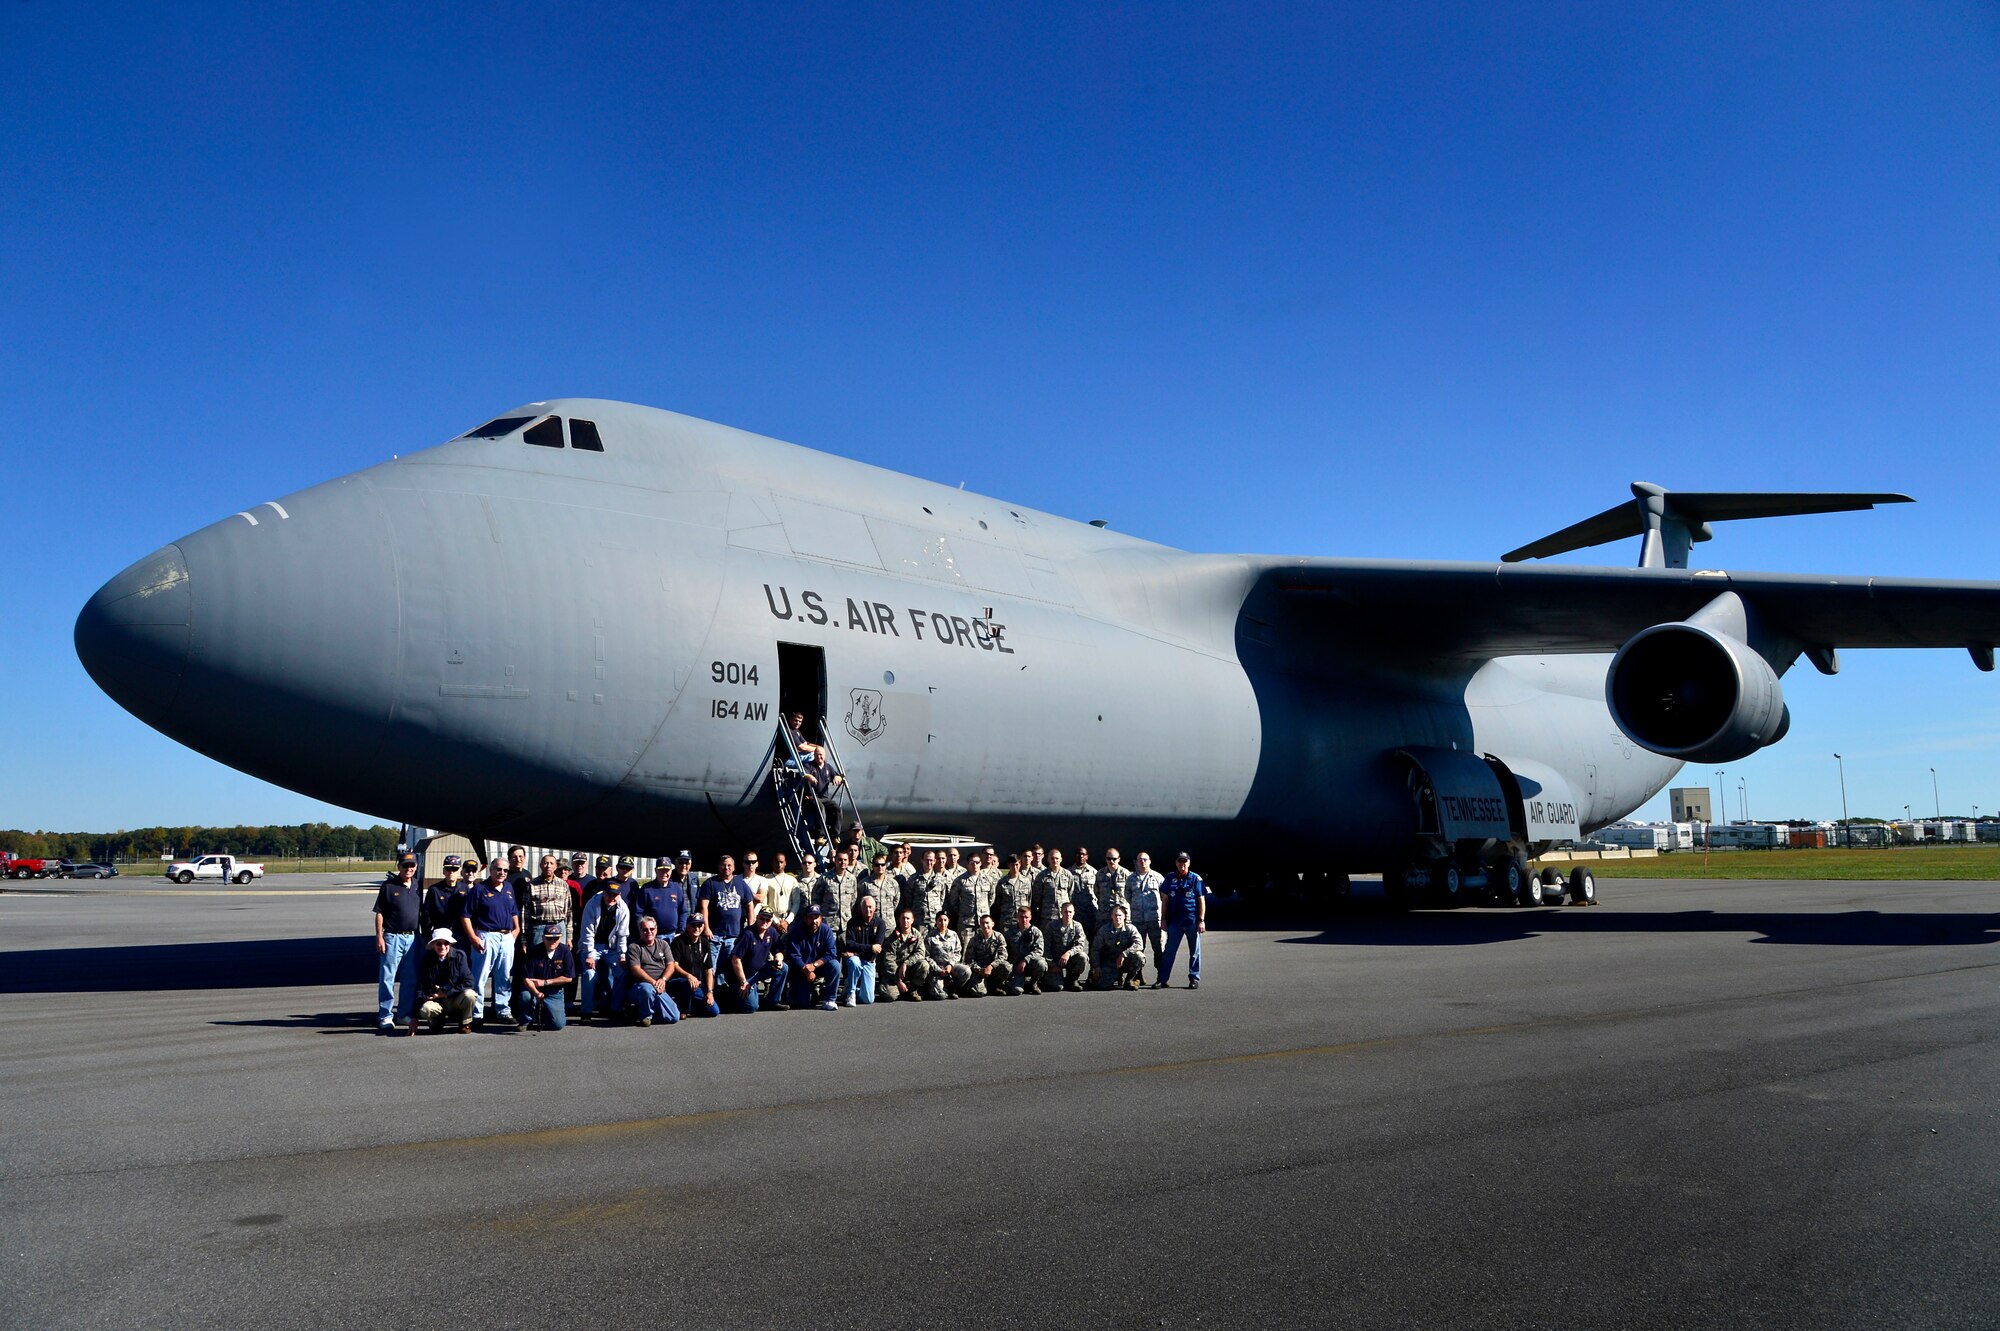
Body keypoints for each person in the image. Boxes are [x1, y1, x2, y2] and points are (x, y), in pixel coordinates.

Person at [461, 859, 520, 1024]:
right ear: (491, 870)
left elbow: (514, 910)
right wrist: (473, 937)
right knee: (480, 977)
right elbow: (465, 916)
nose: (502, 873)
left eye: (505, 870)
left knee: (504, 976)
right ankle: (477, 1013)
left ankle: (503, 1010)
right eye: (498, 869)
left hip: (507, 936)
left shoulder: (508, 888)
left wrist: (516, 930)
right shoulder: (479, 889)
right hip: (486, 935)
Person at [371, 854, 423, 1033]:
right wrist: (379, 936)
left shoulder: (418, 885)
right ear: (399, 866)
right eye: (405, 865)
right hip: (392, 937)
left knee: (410, 979)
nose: (409, 868)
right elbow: (379, 912)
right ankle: (385, 1015)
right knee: (387, 978)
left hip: (413, 938)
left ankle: (403, 1013)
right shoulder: (388, 886)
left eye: (412, 865)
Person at [576, 870, 630, 1022]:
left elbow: (622, 934)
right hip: (593, 946)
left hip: (612, 947)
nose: (611, 898)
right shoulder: (592, 903)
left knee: (621, 972)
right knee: (589, 974)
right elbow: (587, 931)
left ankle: (616, 1009)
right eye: (609, 894)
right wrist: (589, 954)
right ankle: (586, 1012)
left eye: (615, 895)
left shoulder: (623, 908)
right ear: (604, 893)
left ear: (619, 895)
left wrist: (622, 955)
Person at [1156, 852, 1211, 990]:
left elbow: (1201, 899)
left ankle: (1194, 978)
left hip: (1191, 920)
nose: (1182, 864)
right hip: (1175, 921)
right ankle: (1162, 979)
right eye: (1180, 861)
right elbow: (1165, 899)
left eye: (1185, 861)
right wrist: (1163, 919)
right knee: (1169, 951)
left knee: (1194, 951)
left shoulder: (1195, 878)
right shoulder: (1170, 878)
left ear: (1189, 863)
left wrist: (1201, 920)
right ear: (1176, 863)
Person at [412, 929, 478, 1034]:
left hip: (455, 999)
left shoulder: (459, 956)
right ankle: (438, 1021)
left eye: (446, 943)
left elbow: (469, 982)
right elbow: (419, 988)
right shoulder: (426, 960)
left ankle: (465, 1023)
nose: (442, 947)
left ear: (450, 944)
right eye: (439, 943)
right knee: (425, 1009)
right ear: (433, 945)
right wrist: (414, 1018)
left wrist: (445, 993)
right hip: (436, 1002)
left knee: (470, 995)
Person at [724, 909, 789, 1014]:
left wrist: (779, 959)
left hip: (758, 972)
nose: (765, 922)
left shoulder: (771, 932)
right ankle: (731, 996)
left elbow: (779, 951)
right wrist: (743, 981)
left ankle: (772, 1002)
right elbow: (735, 959)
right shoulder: (748, 934)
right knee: (751, 1007)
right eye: (762, 918)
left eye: (768, 920)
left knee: (783, 967)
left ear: (771, 921)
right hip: (741, 977)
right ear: (757, 918)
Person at [623, 915, 684, 1026]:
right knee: (647, 989)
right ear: (640, 931)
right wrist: (653, 982)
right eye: (645, 930)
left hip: (660, 986)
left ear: (656, 930)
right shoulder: (634, 947)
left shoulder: (663, 944)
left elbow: (671, 965)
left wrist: (663, 980)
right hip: (640, 987)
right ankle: (645, 1017)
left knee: (674, 1017)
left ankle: (639, 1011)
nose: (649, 932)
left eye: (652, 929)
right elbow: (635, 969)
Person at [516, 923, 575, 1030]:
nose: (552, 941)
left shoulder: (565, 951)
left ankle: (544, 1014)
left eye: (556, 938)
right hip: (533, 989)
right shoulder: (533, 951)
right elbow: (526, 978)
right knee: (525, 996)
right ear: (543, 938)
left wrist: (546, 982)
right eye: (549, 938)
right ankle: (526, 1020)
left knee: (557, 1025)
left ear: (560, 938)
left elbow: (568, 977)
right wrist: (536, 993)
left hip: (554, 991)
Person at [701, 855, 752, 977]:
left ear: (734, 867)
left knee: (727, 969)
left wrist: (751, 927)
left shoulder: (741, 883)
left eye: (729, 865)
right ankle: (709, 992)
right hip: (714, 935)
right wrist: (706, 928)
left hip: (733, 935)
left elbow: (749, 905)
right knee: (710, 968)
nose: (726, 868)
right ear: (719, 867)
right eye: (723, 865)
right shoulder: (710, 883)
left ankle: (722, 993)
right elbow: (704, 907)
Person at [519, 852, 574, 961]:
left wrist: (569, 937)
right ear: (540, 865)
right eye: (545, 863)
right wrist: (523, 938)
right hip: (539, 928)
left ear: (555, 866)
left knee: (558, 961)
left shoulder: (563, 885)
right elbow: (525, 912)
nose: (548, 866)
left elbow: (568, 912)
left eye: (551, 863)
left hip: (559, 926)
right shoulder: (531, 885)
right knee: (536, 960)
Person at [785, 902, 840, 1011]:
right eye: (811, 917)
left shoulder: (826, 930)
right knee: (802, 1004)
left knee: (835, 965)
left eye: (816, 917)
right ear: (805, 918)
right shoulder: (796, 931)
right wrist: (807, 971)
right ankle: (793, 992)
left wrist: (814, 965)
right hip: (801, 969)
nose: (814, 921)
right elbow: (794, 955)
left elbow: (831, 953)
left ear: (821, 918)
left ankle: (829, 999)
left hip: (818, 966)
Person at [667, 913, 721, 1017]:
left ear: (703, 927)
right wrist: (688, 976)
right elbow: (674, 965)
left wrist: (710, 992)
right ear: (687, 926)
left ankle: (693, 1007)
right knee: (688, 983)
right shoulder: (678, 942)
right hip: (679, 982)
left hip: (697, 986)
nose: (697, 928)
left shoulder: (705, 943)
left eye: (700, 925)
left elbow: (708, 970)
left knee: (714, 1011)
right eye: (693, 925)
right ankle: (683, 1009)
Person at [838, 894, 885, 1006]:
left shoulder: (880, 923)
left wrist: (857, 950)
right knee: (854, 962)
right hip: (857, 959)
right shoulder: (852, 922)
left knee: (868, 999)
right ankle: (851, 993)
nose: (868, 909)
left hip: (869, 961)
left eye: (870, 907)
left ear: (874, 908)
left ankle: (849, 987)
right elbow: (849, 944)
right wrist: (869, 948)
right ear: (860, 908)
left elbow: (877, 948)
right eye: (865, 907)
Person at [1125, 851, 1166, 982]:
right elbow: (1127, 896)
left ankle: (1161, 976)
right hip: (1138, 920)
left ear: (1150, 861)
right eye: (1140, 860)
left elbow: (1164, 897)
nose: (1143, 862)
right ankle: (1138, 976)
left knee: (1158, 948)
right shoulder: (1131, 879)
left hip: (1155, 920)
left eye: (1145, 859)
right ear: (1136, 862)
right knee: (1138, 948)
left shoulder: (1158, 877)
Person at [918, 910, 972, 1000]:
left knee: (966, 971)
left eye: (945, 920)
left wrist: (950, 965)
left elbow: (958, 952)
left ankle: (954, 988)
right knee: (940, 996)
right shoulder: (930, 937)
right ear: (936, 922)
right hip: (936, 970)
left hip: (951, 968)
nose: (943, 923)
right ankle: (941, 987)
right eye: (940, 920)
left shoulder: (953, 935)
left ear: (948, 921)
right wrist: (939, 970)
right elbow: (927, 956)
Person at [635, 856, 692, 939]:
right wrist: (643, 931)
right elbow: (638, 913)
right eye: (661, 870)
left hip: (673, 935)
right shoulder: (647, 889)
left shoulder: (676, 888)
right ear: (656, 870)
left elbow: (683, 911)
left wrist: (681, 931)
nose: (664, 873)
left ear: (671, 871)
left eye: (667, 870)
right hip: (653, 936)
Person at [1032, 848, 1076, 953]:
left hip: (1063, 916)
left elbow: (1071, 894)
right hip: (1047, 916)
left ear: (1061, 859)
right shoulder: (1042, 876)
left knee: (1062, 942)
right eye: (1052, 858)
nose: (1054, 861)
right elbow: (1037, 897)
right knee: (1045, 943)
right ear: (1048, 859)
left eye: (1057, 858)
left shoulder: (1067, 874)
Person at [1092, 904, 1145, 990]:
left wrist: (1124, 954)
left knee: (1140, 957)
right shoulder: (1104, 930)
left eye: (1120, 915)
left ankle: (1129, 980)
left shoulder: (1131, 929)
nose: (1117, 917)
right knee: (1102, 986)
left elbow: (1139, 944)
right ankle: (1117, 976)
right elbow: (1095, 949)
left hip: (1126, 961)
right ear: (1111, 916)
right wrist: (1096, 967)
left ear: (1124, 916)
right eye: (1115, 915)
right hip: (1110, 962)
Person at [419, 855, 467, 942]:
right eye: (448, 869)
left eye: (455, 869)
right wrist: (428, 936)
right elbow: (426, 916)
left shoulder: (465, 889)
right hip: (440, 935)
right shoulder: (434, 890)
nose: (451, 872)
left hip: (460, 934)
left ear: (460, 871)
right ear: (443, 871)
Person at [882, 908, 926, 1002]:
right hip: (894, 973)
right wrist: (898, 981)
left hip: (909, 970)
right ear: (899, 920)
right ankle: (900, 989)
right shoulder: (892, 937)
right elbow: (889, 961)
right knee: (889, 995)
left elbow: (921, 953)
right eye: (903, 918)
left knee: (924, 964)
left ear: (912, 920)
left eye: (908, 918)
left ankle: (912, 990)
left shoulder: (917, 935)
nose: (905, 921)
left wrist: (906, 963)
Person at [1004, 906, 1048, 995]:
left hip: (1031, 965)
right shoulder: (1009, 932)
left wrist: (1025, 960)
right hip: (1015, 968)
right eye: (1021, 917)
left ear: (1030, 917)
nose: (1024, 920)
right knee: (1017, 991)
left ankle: (1033, 983)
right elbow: (1004, 951)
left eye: (1026, 917)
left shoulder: (1036, 932)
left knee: (1042, 964)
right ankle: (1015, 983)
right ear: (1017, 917)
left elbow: (1039, 950)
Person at [963, 914, 1010, 996]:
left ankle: (994, 986)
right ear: (980, 925)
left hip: (993, 969)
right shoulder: (974, 940)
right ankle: (980, 985)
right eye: (982, 923)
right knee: (978, 992)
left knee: (1007, 967)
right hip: (979, 971)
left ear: (992, 924)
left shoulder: (999, 937)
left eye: (987, 923)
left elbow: (1003, 956)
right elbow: (969, 960)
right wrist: (979, 970)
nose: (985, 926)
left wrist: (991, 966)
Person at [1048, 900, 1089, 993]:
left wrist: (1068, 953)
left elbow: (1080, 945)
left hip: (1070, 958)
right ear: (1061, 912)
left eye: (1070, 912)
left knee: (1083, 957)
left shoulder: (1077, 926)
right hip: (1055, 960)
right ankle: (1052, 978)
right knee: (1058, 987)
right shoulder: (1051, 926)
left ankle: (1072, 979)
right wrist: (1052, 965)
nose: (1068, 914)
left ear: (1074, 913)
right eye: (1065, 912)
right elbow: (1046, 947)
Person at [909, 849, 950, 931]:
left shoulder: (940, 879)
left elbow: (942, 899)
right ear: (922, 861)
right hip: (919, 920)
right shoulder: (913, 879)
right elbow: (908, 899)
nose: (929, 862)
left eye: (931, 860)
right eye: (926, 860)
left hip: (935, 920)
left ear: (935, 861)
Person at [995, 853, 1033, 928]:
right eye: (1012, 865)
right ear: (1009, 865)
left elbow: (1029, 899)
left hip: (1022, 920)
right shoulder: (1002, 882)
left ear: (1020, 864)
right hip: (1006, 920)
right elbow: (998, 902)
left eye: (1017, 864)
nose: (1015, 867)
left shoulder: (1026, 881)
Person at [765, 851, 804, 926]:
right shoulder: (766, 879)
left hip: (788, 921)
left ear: (785, 863)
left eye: (781, 862)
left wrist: (787, 921)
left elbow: (796, 902)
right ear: (772, 863)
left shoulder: (792, 880)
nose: (779, 864)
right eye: (776, 862)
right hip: (770, 920)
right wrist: (776, 922)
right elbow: (764, 904)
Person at [1071, 847, 1100, 940]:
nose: (1081, 856)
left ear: (1087, 857)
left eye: (1083, 854)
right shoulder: (1068, 873)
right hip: (1076, 912)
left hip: (1090, 912)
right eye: (1079, 854)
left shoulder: (1094, 873)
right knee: (1075, 939)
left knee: (1093, 938)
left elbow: (1099, 891)